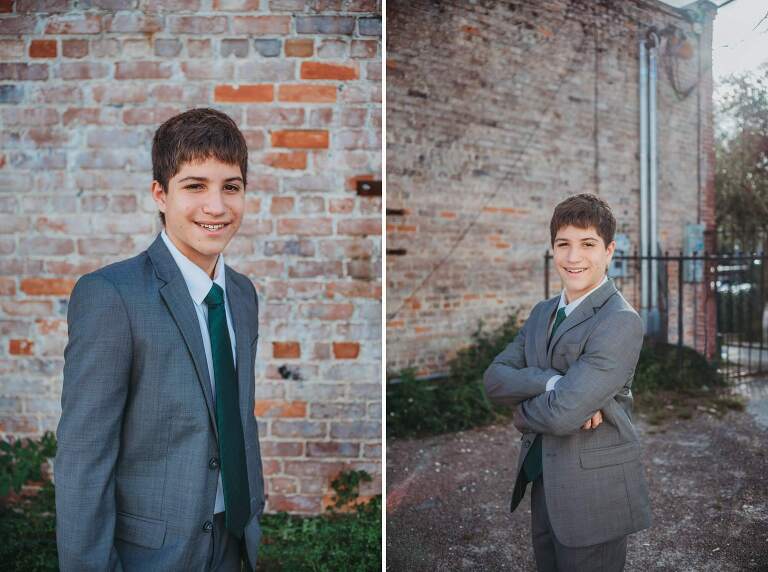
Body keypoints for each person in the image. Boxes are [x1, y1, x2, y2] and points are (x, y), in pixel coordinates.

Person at [55, 108, 264, 571]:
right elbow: (83, 459)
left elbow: (235, 417)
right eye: (195, 186)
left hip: (234, 541)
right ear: (160, 194)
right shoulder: (111, 296)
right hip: (152, 553)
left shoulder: (243, 294)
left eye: (231, 187)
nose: (216, 206)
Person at [483, 193, 652, 572]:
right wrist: (550, 381)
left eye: (588, 244)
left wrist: (522, 411)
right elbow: (494, 380)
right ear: (553, 249)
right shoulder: (542, 312)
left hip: (594, 492)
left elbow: (561, 416)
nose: (573, 257)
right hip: (544, 477)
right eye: (564, 244)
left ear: (609, 251)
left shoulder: (620, 320)